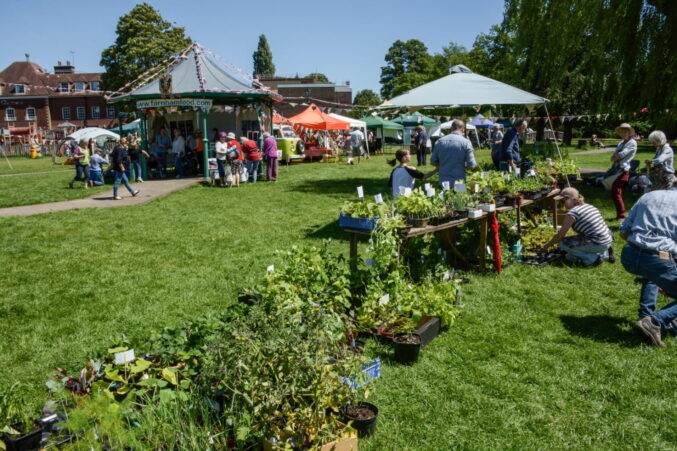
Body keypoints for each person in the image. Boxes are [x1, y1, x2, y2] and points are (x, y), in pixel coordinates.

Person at [619, 182, 677, 347]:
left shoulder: (649, 195)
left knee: (652, 274)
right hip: (658, 258)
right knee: (657, 268)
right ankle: (655, 321)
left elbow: (624, 231)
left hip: (629, 254)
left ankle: (645, 316)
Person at [542, 187, 614, 266]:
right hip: (607, 239)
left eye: (563, 201)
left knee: (562, 243)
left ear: (574, 199)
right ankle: (604, 253)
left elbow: (560, 236)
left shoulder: (573, 213)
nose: (562, 204)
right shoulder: (589, 206)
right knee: (569, 257)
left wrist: (546, 246)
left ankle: (592, 259)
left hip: (598, 242)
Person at [431, 119, 477, 187]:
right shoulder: (466, 142)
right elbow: (472, 165)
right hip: (459, 181)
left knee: (443, 197)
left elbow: (433, 162)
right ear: (463, 129)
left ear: (451, 128)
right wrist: (463, 168)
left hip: (443, 181)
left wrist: (443, 166)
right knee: (460, 196)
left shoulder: (439, 142)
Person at [609, 123, 638, 220]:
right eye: (621, 132)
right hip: (617, 169)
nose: (623, 133)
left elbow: (621, 155)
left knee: (616, 191)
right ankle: (620, 215)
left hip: (623, 170)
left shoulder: (632, 142)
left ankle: (622, 216)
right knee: (615, 192)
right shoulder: (621, 143)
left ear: (630, 133)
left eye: (625, 132)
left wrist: (616, 156)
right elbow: (612, 157)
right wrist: (616, 157)